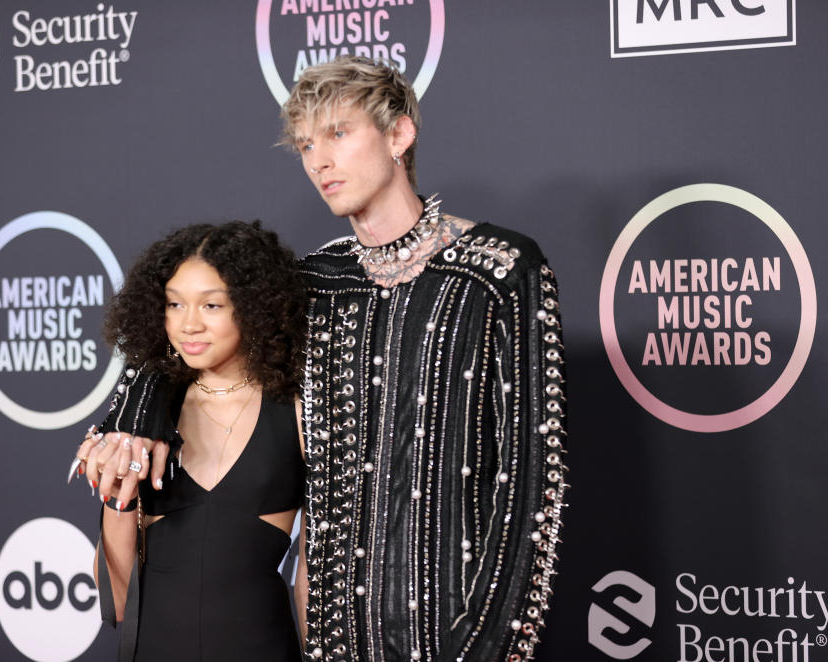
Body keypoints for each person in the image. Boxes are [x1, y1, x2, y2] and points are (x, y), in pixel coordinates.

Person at [86, 56, 568, 661]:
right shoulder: (314, 284)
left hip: (457, 628)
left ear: (398, 134)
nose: (319, 160)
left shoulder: (496, 272)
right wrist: (135, 419)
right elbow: (190, 340)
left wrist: (492, 645)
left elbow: (532, 489)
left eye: (338, 133)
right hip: (335, 638)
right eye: (307, 144)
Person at [71, 221, 309, 661]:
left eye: (212, 305)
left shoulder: (298, 411)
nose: (189, 324)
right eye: (174, 304)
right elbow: (117, 599)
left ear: (255, 307)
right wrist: (117, 497)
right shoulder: (146, 415)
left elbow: (316, 579)